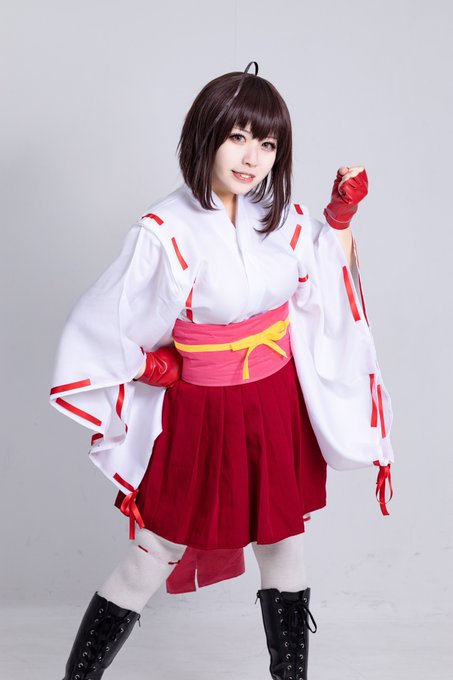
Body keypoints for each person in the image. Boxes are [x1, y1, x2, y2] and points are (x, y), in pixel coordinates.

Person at [49, 62, 394, 680]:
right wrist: (149, 365)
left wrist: (339, 221)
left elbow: (326, 285)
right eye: (238, 137)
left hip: (273, 400)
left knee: (283, 542)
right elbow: (101, 322)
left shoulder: (281, 217)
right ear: (206, 134)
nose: (252, 158)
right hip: (200, 410)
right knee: (155, 549)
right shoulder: (164, 229)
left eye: (268, 144)